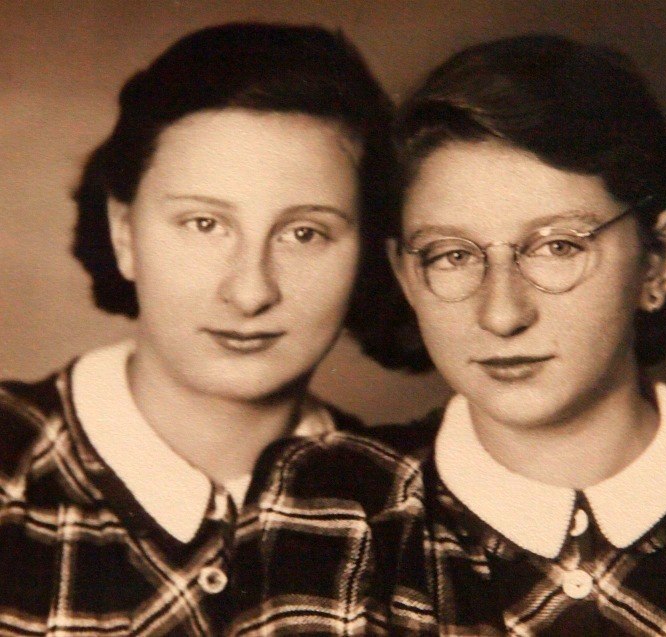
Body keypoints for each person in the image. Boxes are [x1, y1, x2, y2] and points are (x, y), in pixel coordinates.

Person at [256, 34, 666, 634]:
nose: (501, 314)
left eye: (558, 247)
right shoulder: (337, 500)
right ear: (406, 276)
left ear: (659, 261)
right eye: (453, 255)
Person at [0, 22, 397, 634]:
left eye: (305, 233)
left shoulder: (407, 509)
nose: (250, 291)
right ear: (124, 233)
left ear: (368, 252)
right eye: (204, 224)